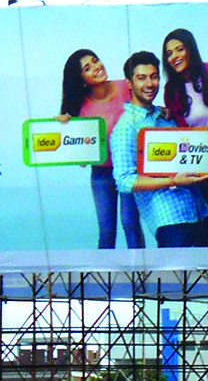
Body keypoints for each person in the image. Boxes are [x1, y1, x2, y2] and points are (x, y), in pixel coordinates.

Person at [111, 52, 208, 249]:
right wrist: (173, 181)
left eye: (154, 76)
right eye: (141, 78)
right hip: (169, 219)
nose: (149, 84)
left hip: (199, 209)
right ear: (129, 84)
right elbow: (124, 181)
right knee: (177, 278)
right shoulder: (126, 127)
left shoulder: (164, 116)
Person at [57, 49, 144, 250]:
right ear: (82, 80)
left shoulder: (126, 87)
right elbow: (81, 160)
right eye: (88, 68)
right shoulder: (80, 108)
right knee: (106, 230)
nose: (97, 67)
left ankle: (140, 274)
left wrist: (161, 110)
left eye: (96, 61)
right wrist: (64, 126)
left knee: (130, 224)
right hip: (102, 173)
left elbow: (145, 109)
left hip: (129, 169)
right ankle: (105, 277)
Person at [162, 28, 208, 246]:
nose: (175, 56)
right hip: (204, 166)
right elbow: (182, 132)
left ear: (191, 49)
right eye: (169, 53)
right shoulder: (171, 90)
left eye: (180, 49)